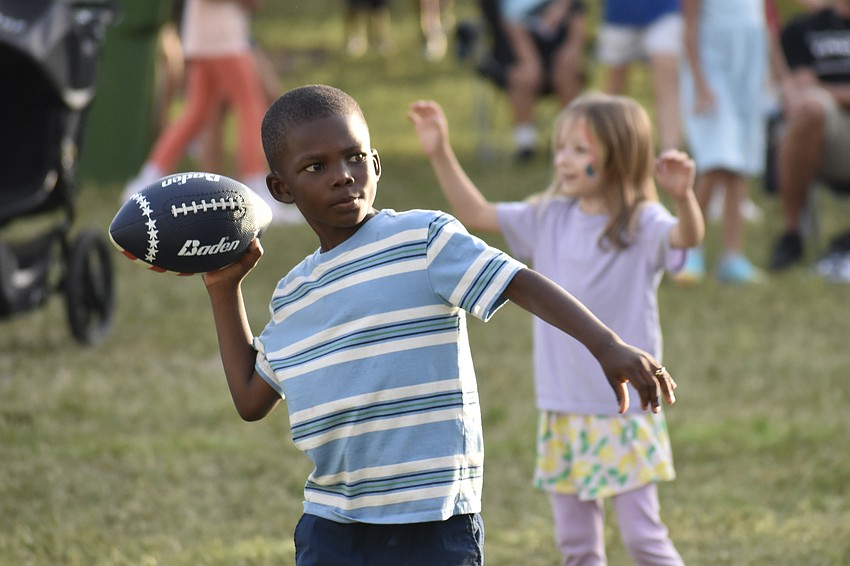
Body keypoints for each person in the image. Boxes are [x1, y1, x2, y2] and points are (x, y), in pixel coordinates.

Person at [203, 84, 677, 565]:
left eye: (354, 158)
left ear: (377, 165)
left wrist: (606, 344)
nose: (343, 177)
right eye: (315, 167)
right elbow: (250, 399)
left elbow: (519, 281)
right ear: (282, 188)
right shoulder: (293, 295)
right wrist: (224, 289)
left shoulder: (423, 239)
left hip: (436, 521)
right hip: (334, 526)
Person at [409, 92, 700, 565]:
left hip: (624, 413)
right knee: (577, 547)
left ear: (620, 156)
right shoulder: (548, 216)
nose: (564, 160)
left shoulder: (643, 223)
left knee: (644, 539)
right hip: (562, 411)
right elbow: (479, 214)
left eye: (580, 150)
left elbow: (687, 237)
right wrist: (440, 150)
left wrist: (684, 196)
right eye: (560, 148)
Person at [123, 0, 300, 225]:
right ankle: (257, 190)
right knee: (251, 108)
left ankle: (145, 179)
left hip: (205, 39)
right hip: (222, 39)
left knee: (197, 113)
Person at [676, 0, 769, 284]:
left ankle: (733, 257)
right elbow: (689, 28)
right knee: (718, 159)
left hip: (749, 74)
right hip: (713, 74)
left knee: (738, 163)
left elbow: (763, 26)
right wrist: (701, 85)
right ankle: (688, 249)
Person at [767, 0, 850, 279]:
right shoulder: (804, 29)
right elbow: (805, 89)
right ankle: (792, 234)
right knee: (811, 108)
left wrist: (828, 90)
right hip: (830, 136)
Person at [499, 0, 587, 160]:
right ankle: (525, 145)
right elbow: (509, 22)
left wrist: (572, 50)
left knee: (568, 73)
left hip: (559, 52)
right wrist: (529, 59)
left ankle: (568, 138)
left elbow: (578, 20)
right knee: (525, 75)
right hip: (520, 51)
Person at [596, 0, 683, 151]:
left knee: (666, 83)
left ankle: (671, 153)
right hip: (619, 13)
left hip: (665, 9)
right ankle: (602, 148)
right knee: (614, 86)